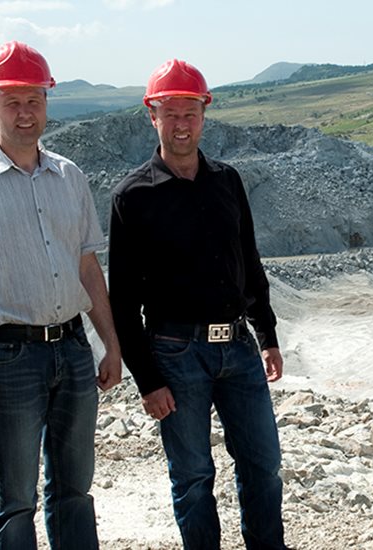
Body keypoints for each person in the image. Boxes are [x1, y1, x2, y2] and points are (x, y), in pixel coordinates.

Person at [0, 41, 121, 550]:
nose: (25, 113)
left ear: (47, 102)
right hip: (9, 355)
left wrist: (111, 343)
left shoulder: (69, 175)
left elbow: (86, 265)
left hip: (74, 350)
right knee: (15, 497)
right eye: (11, 101)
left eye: (33, 100)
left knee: (75, 489)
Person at [109, 59, 288, 550]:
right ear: (153, 116)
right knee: (192, 475)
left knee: (263, 465)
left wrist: (267, 334)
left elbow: (248, 261)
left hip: (238, 346)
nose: (181, 124)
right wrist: (147, 379)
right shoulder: (132, 197)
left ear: (204, 115)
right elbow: (121, 299)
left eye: (190, 112)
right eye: (171, 113)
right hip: (175, 351)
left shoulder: (227, 181)